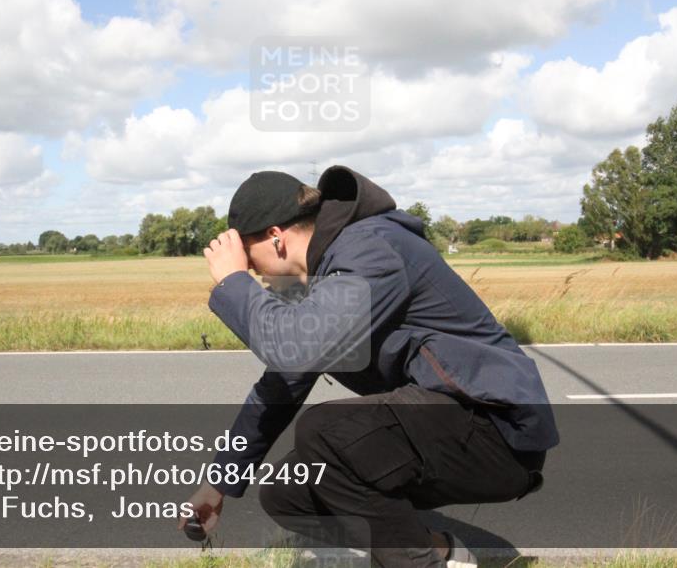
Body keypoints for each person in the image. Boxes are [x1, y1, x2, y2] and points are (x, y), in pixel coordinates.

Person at [178, 166, 559, 567]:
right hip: (450, 424)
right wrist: (218, 483)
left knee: (326, 433)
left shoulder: (368, 248)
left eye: (249, 260)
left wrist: (232, 282)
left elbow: (294, 349)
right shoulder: (328, 275)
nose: (252, 272)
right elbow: (282, 383)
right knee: (288, 490)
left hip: (498, 429)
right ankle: (442, 552)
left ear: (276, 238)